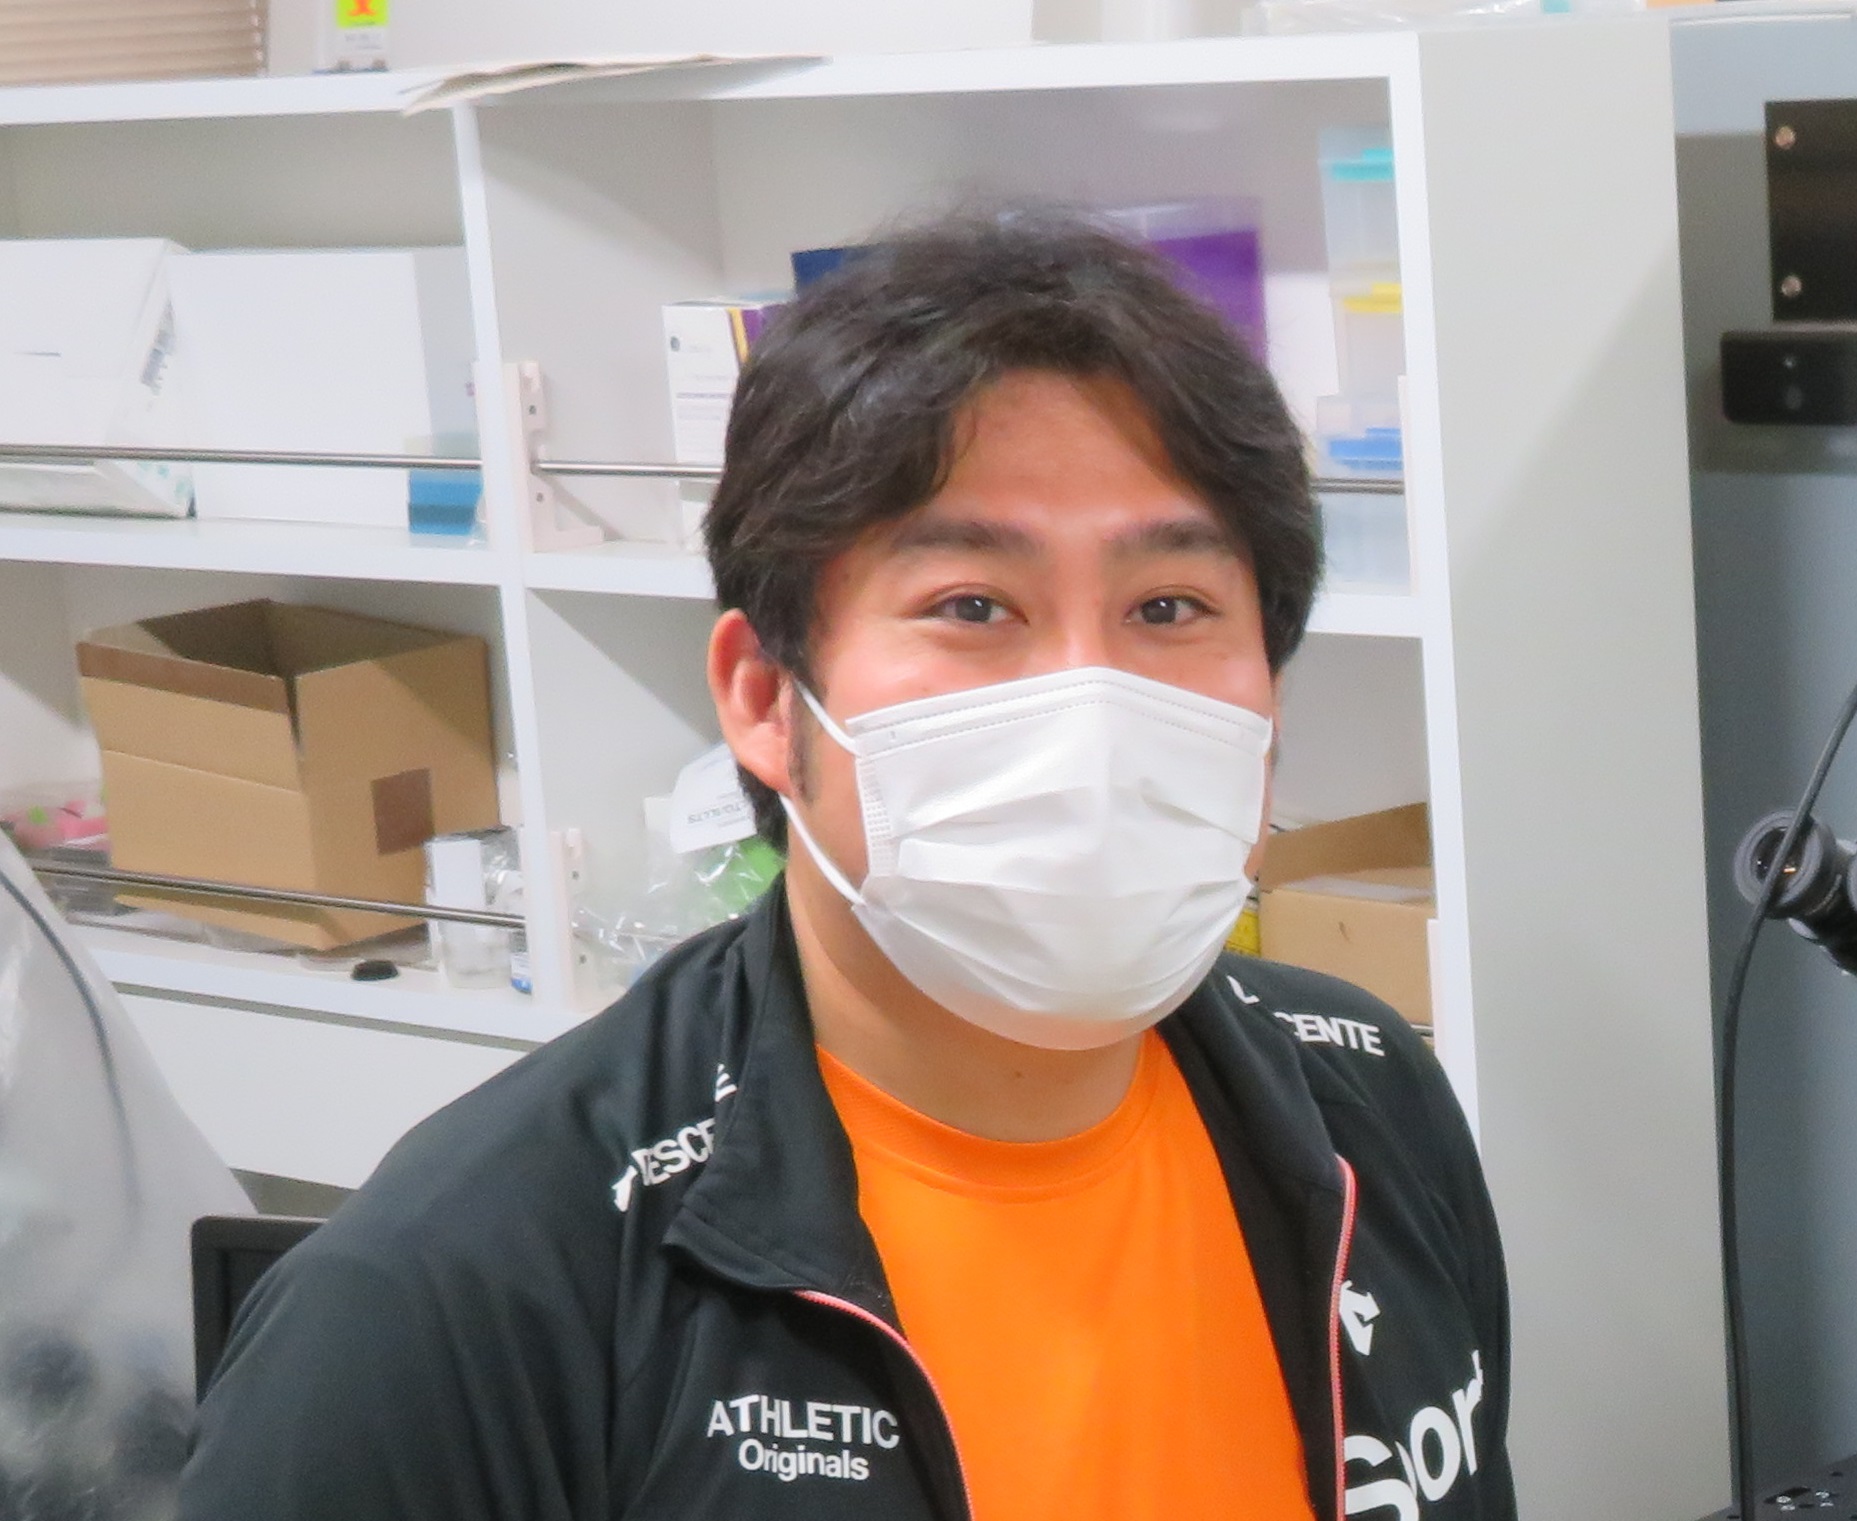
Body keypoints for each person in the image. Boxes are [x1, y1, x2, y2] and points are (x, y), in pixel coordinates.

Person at [179, 209, 1514, 1521]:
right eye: (971, 607)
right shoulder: (456, 1295)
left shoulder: (1364, 1099)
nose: (1090, 704)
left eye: (1169, 607)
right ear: (765, 698)